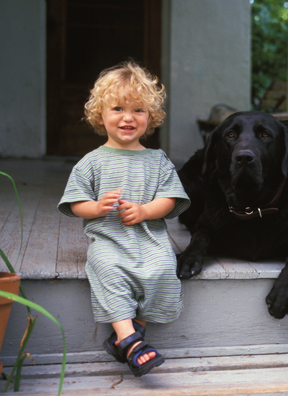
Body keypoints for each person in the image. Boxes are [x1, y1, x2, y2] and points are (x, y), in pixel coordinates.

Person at [58, 61, 190, 377]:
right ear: (100, 116)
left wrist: (145, 211)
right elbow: (75, 203)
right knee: (106, 268)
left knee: (162, 268)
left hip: (149, 239)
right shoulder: (92, 161)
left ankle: (130, 338)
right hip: (109, 240)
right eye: (117, 108)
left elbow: (170, 199)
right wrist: (96, 208)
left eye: (138, 110)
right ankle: (128, 338)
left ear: (151, 117)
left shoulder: (157, 160)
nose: (128, 117)